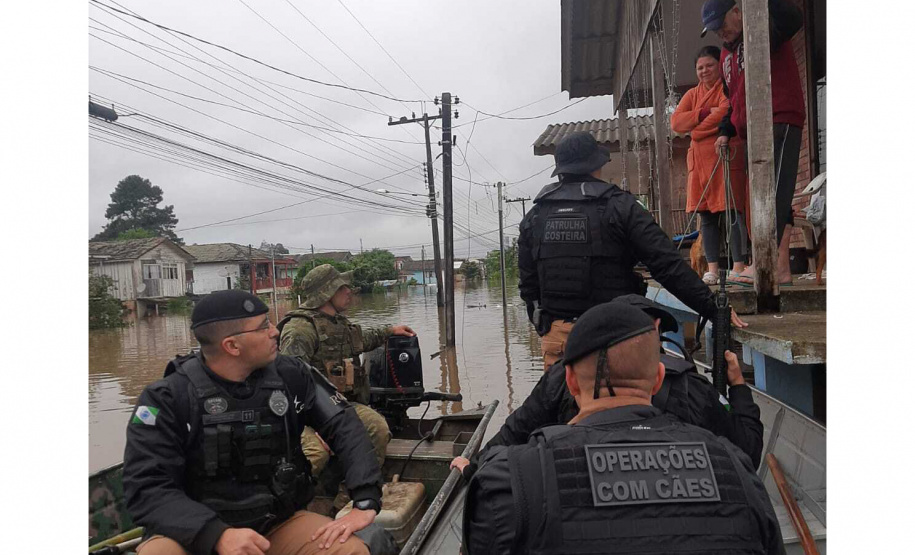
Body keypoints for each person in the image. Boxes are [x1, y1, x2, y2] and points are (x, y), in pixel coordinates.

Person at [462, 302, 784, 554]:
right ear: (658, 379)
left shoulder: (509, 480)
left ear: (571, 381)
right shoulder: (735, 469)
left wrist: (471, 467)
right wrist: (739, 388)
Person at [123, 290, 386, 555]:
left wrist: (365, 500)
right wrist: (216, 535)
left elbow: (344, 426)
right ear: (232, 346)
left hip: (275, 523)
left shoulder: (291, 375)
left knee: (349, 551)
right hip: (192, 533)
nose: (275, 331)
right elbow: (146, 487)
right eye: (264, 327)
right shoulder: (167, 398)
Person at [451, 294, 763, 478]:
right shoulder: (690, 386)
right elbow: (747, 453)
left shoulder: (560, 377)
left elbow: (515, 431)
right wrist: (737, 385)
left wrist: (473, 465)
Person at [518, 131, 746, 369]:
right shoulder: (621, 205)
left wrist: (549, 327)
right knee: (632, 403)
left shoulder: (535, 216)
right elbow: (667, 265)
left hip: (561, 341)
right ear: (597, 165)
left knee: (564, 404)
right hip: (618, 335)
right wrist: (713, 308)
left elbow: (528, 287)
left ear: (561, 169)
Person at [701, 0, 806, 286]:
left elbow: (793, 18)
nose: (720, 32)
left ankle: (765, 263)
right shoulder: (725, 54)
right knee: (761, 198)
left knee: (775, 195)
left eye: (722, 24)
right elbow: (732, 98)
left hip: (780, 118)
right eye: (714, 30)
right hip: (750, 131)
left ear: (738, 11)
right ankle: (779, 267)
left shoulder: (764, 27)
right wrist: (725, 129)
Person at [278, 264, 415, 478]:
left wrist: (390, 331)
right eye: (342, 288)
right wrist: (317, 426)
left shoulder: (338, 323)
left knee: (378, 430)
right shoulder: (300, 329)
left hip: (339, 405)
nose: (348, 291)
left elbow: (362, 340)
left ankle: (351, 496)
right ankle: (293, 504)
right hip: (304, 413)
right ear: (327, 294)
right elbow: (288, 382)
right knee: (315, 454)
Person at [671, 44, 750, 285]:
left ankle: (739, 264)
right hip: (700, 164)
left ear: (720, 65)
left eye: (709, 66)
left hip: (724, 155)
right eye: (699, 67)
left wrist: (694, 128)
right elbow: (676, 123)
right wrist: (704, 113)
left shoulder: (727, 89)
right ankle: (713, 268)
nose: (704, 71)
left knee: (732, 210)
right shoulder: (692, 95)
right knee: (706, 216)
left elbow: (725, 113)